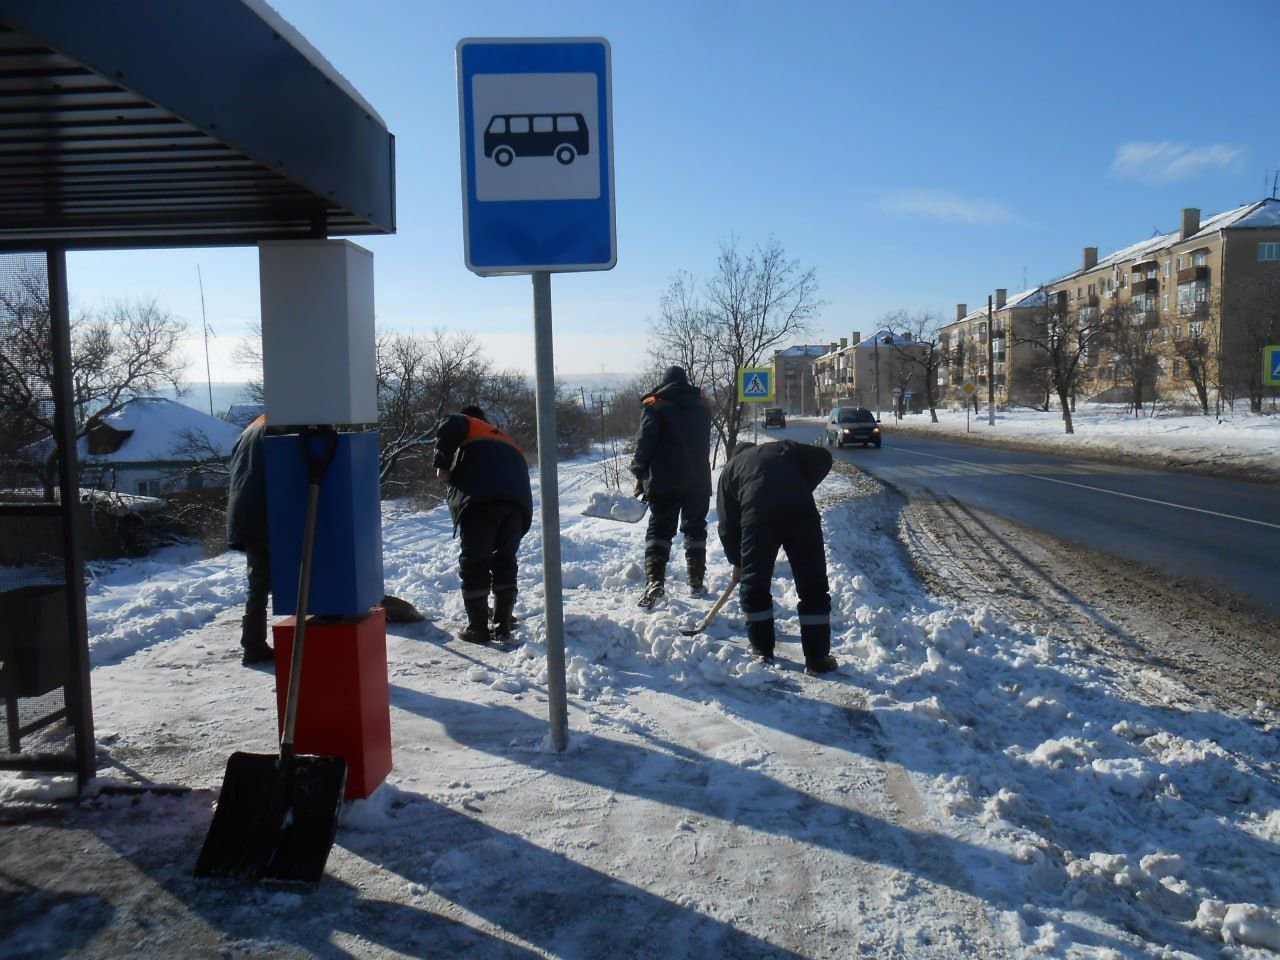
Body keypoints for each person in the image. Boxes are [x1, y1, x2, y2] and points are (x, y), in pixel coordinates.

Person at [716, 439, 838, 675]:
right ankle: (817, 659)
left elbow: (727, 526)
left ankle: (762, 651)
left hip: (758, 517)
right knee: (813, 585)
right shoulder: (782, 448)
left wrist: (738, 562)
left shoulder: (730, 470)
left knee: (755, 586)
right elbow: (824, 457)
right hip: (801, 511)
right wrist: (801, 485)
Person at [433, 405, 533, 643]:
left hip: (482, 504)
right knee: (504, 560)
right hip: (516, 508)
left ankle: (477, 628)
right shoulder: (503, 439)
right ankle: (502, 624)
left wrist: (443, 466)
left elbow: (451, 424)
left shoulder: (466, 423)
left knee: (475, 563)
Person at [630, 366, 713, 608]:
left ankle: (655, 581)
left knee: (660, 530)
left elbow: (645, 441)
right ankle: (696, 581)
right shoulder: (702, 406)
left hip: (664, 480)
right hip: (697, 480)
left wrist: (638, 469)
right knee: (695, 529)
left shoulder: (656, 405)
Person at [226, 415, 273, 665]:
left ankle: (253, 645)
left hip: (243, 510)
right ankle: (313, 634)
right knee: (305, 576)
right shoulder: (281, 427)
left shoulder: (249, 430)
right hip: (267, 510)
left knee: (257, 586)